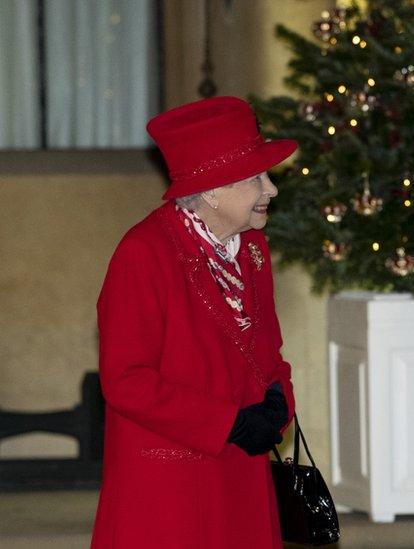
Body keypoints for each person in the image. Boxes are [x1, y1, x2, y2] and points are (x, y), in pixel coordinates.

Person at [91, 96, 299, 548]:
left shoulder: (252, 249)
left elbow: (268, 351)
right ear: (211, 189)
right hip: (170, 475)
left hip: (240, 464)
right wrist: (227, 423)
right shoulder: (143, 253)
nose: (272, 190)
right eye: (255, 178)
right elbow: (126, 379)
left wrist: (279, 400)